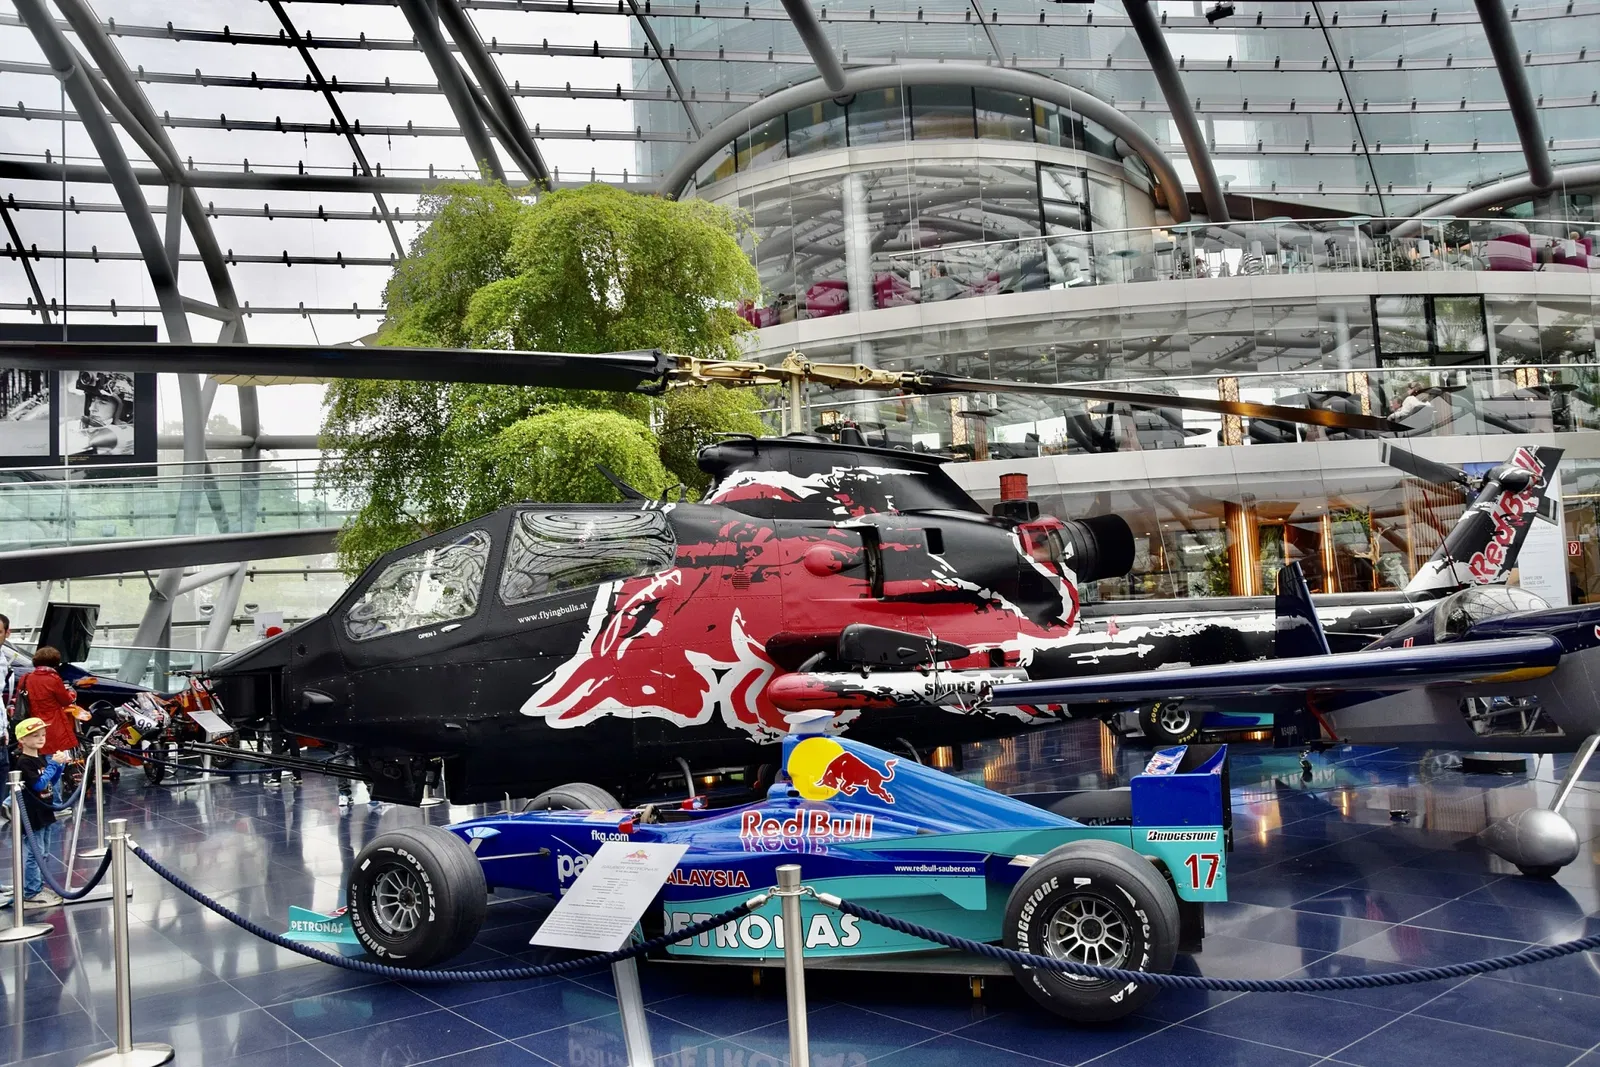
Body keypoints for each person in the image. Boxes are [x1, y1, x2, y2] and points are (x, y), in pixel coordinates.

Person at [13, 717, 65, 908]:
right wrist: (53, 765)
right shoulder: (24, 762)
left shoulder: (40, 758)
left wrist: (59, 766)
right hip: (32, 813)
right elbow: (39, 784)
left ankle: (36, 884)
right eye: (35, 736)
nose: (41, 738)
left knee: (43, 852)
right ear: (23, 740)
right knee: (34, 853)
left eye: (42, 735)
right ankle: (31, 891)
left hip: (44, 811)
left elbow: (50, 781)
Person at [17, 648, 79, 760]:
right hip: (53, 724)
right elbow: (66, 701)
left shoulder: (25, 678)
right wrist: (70, 693)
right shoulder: (53, 679)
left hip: (32, 723)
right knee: (55, 760)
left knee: (35, 759)